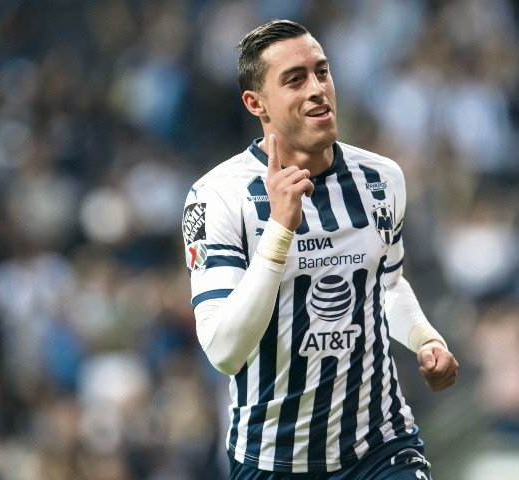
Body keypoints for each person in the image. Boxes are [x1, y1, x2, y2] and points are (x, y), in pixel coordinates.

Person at [181, 19, 459, 480]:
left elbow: (389, 285)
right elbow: (224, 351)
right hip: (273, 458)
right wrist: (279, 230)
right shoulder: (217, 196)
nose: (317, 89)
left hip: (380, 447)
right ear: (255, 103)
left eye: (322, 72)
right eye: (295, 79)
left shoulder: (382, 179)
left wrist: (425, 338)